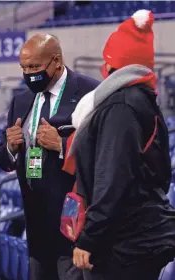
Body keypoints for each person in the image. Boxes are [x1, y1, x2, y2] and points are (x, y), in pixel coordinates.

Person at [67, 10, 175, 280]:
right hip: (138, 237)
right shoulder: (139, 99)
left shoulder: (121, 106)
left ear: (113, 64)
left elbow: (113, 177)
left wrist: (90, 237)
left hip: (127, 244)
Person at [0, 33, 99, 280]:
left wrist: (62, 145)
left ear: (57, 61)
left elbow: (104, 154)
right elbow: (2, 159)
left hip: (75, 226)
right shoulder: (21, 101)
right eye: (23, 67)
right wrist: (10, 147)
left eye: (34, 66)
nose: (28, 73)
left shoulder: (90, 92)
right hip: (37, 226)